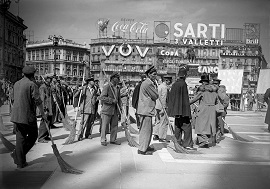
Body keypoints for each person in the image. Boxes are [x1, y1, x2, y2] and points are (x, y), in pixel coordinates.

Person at [10, 66, 47, 169]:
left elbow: (12, 99)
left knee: (20, 139)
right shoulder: (32, 84)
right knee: (33, 136)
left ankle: (20, 162)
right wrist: (43, 113)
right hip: (27, 116)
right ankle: (17, 156)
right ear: (32, 75)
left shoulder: (16, 84)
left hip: (16, 115)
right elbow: (37, 100)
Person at [167, 66, 195, 150]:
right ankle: (187, 144)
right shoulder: (183, 84)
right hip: (183, 111)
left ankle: (178, 142)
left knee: (177, 127)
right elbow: (185, 100)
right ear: (185, 75)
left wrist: (172, 111)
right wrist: (187, 112)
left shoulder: (174, 84)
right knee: (187, 127)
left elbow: (171, 98)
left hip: (176, 111)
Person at [190, 74, 218, 148]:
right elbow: (217, 102)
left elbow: (193, 100)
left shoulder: (202, 91)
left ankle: (204, 140)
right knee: (209, 126)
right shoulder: (214, 92)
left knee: (199, 125)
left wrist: (186, 103)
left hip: (203, 109)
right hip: (212, 110)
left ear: (202, 82)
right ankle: (207, 140)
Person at [137, 66, 159, 155]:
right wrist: (156, 87)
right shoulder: (148, 83)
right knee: (146, 130)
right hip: (146, 109)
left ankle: (146, 145)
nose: (155, 76)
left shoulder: (147, 82)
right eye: (154, 74)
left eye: (156, 74)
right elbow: (155, 95)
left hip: (145, 109)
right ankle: (142, 149)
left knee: (147, 129)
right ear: (149, 75)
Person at [98, 72, 122, 146]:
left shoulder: (118, 88)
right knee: (105, 126)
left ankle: (113, 139)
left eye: (118, 78)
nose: (118, 80)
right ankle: (103, 140)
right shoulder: (107, 86)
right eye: (117, 78)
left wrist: (120, 108)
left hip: (115, 110)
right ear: (113, 78)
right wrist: (111, 100)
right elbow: (101, 97)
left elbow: (119, 99)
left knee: (114, 126)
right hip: (107, 109)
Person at [76, 76, 98, 140]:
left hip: (92, 109)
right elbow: (75, 96)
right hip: (85, 109)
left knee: (90, 123)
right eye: (92, 81)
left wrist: (96, 99)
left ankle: (88, 134)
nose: (94, 82)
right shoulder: (84, 89)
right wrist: (79, 91)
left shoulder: (95, 89)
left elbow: (95, 97)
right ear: (89, 82)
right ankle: (80, 135)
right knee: (83, 123)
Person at [38, 75, 56, 143]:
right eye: (50, 79)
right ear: (46, 79)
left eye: (51, 79)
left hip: (50, 107)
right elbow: (42, 99)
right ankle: (41, 137)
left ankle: (46, 135)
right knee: (44, 122)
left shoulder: (48, 86)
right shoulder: (43, 87)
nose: (51, 80)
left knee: (49, 121)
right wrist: (44, 109)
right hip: (46, 108)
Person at [153, 76, 170, 142]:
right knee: (163, 122)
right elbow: (163, 99)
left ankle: (156, 134)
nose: (169, 82)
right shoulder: (164, 87)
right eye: (169, 81)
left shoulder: (159, 86)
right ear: (166, 80)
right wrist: (164, 108)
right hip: (162, 106)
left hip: (157, 106)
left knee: (157, 121)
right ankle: (162, 137)